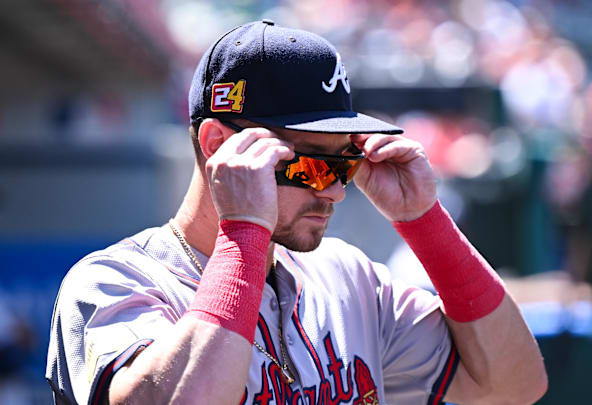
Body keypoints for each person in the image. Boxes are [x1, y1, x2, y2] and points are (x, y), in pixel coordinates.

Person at [46, 20, 547, 405]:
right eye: (310, 164)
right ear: (220, 145)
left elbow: (513, 384)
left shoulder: (348, 280)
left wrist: (424, 220)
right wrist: (244, 233)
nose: (334, 191)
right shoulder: (113, 283)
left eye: (345, 163)